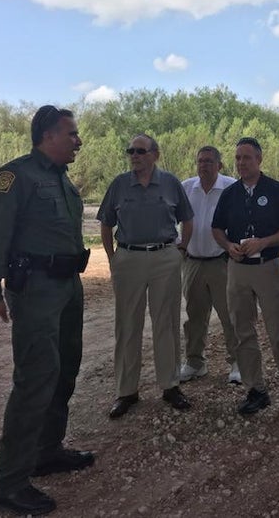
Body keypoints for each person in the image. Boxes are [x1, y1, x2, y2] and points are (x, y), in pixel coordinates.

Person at [0, 105, 95, 515]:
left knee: (66, 368)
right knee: (35, 376)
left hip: (68, 286)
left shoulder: (62, 181)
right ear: (48, 135)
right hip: (35, 291)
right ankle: (9, 484)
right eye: (72, 134)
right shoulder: (13, 178)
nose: (78, 141)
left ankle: (46, 451)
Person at [210, 137, 279, 430]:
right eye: (238, 158)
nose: (242, 163)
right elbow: (216, 228)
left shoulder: (277, 191)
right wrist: (228, 246)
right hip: (237, 270)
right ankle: (256, 389)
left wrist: (264, 242)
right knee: (243, 332)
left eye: (247, 158)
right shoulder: (229, 194)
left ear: (260, 159)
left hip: (267, 268)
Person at [98, 134, 196, 419]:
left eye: (140, 151)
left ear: (155, 154)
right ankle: (126, 391)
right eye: (131, 151)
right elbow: (106, 223)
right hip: (128, 259)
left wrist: (181, 248)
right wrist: (112, 258)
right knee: (127, 325)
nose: (134, 155)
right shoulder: (119, 184)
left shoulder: (170, 183)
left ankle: (170, 386)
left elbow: (187, 219)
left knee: (165, 322)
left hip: (165, 257)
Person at [177, 145, 242, 385]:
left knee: (230, 314)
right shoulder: (186, 187)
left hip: (221, 263)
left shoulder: (231, 188)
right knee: (194, 316)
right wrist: (179, 244)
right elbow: (175, 218)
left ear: (219, 165)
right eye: (200, 161)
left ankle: (237, 363)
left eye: (208, 161)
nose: (203, 165)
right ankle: (195, 363)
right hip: (193, 262)